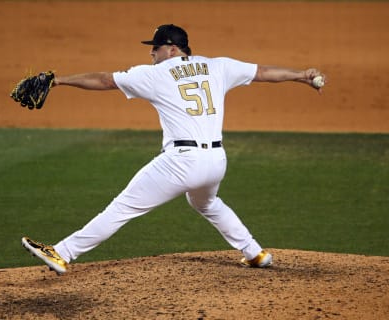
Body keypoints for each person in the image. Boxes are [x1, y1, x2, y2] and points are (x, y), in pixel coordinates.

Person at [21, 24, 326, 274]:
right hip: (216, 160)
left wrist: (58, 81)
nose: (151, 53)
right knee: (206, 203)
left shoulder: (155, 74)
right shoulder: (217, 66)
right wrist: (302, 75)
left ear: (172, 49)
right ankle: (254, 252)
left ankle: (62, 252)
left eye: (155, 48)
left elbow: (104, 80)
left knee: (122, 207)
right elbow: (263, 72)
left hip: (181, 162)